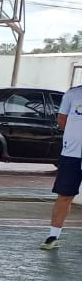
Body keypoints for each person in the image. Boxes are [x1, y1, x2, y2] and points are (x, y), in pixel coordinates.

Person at [42, 83, 82, 249]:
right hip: (71, 154)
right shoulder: (73, 94)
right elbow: (62, 120)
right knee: (64, 195)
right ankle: (53, 236)